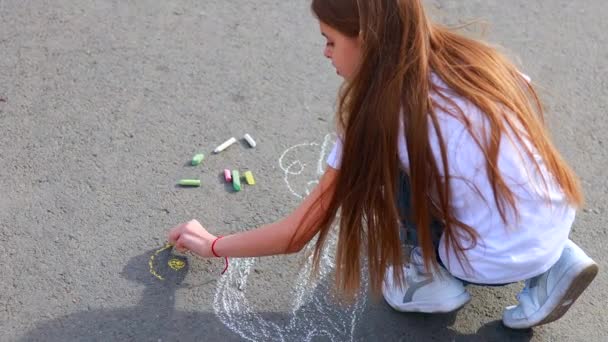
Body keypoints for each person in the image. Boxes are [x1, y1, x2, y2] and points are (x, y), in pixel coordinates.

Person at [168, 0, 599, 329]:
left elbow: (296, 234)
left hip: (492, 257)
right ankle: (556, 260)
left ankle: (431, 277)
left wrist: (214, 244)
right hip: (553, 214)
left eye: (330, 40)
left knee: (383, 168)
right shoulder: (480, 62)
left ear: (368, 40)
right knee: (464, 161)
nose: (325, 53)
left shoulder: (380, 117)